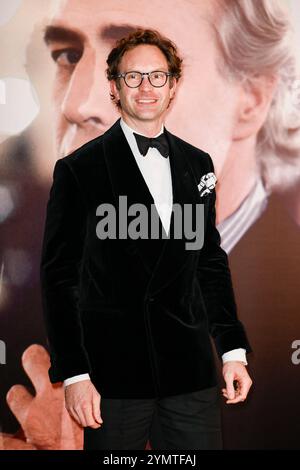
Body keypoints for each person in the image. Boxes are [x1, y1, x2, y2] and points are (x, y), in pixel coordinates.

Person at [40, 28, 252, 450]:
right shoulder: (79, 169)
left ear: (173, 85)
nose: (145, 87)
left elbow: (209, 261)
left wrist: (232, 351)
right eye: (132, 77)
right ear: (115, 88)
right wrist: (75, 374)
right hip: (111, 383)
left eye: (157, 76)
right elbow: (59, 277)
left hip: (190, 376)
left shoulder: (198, 164)